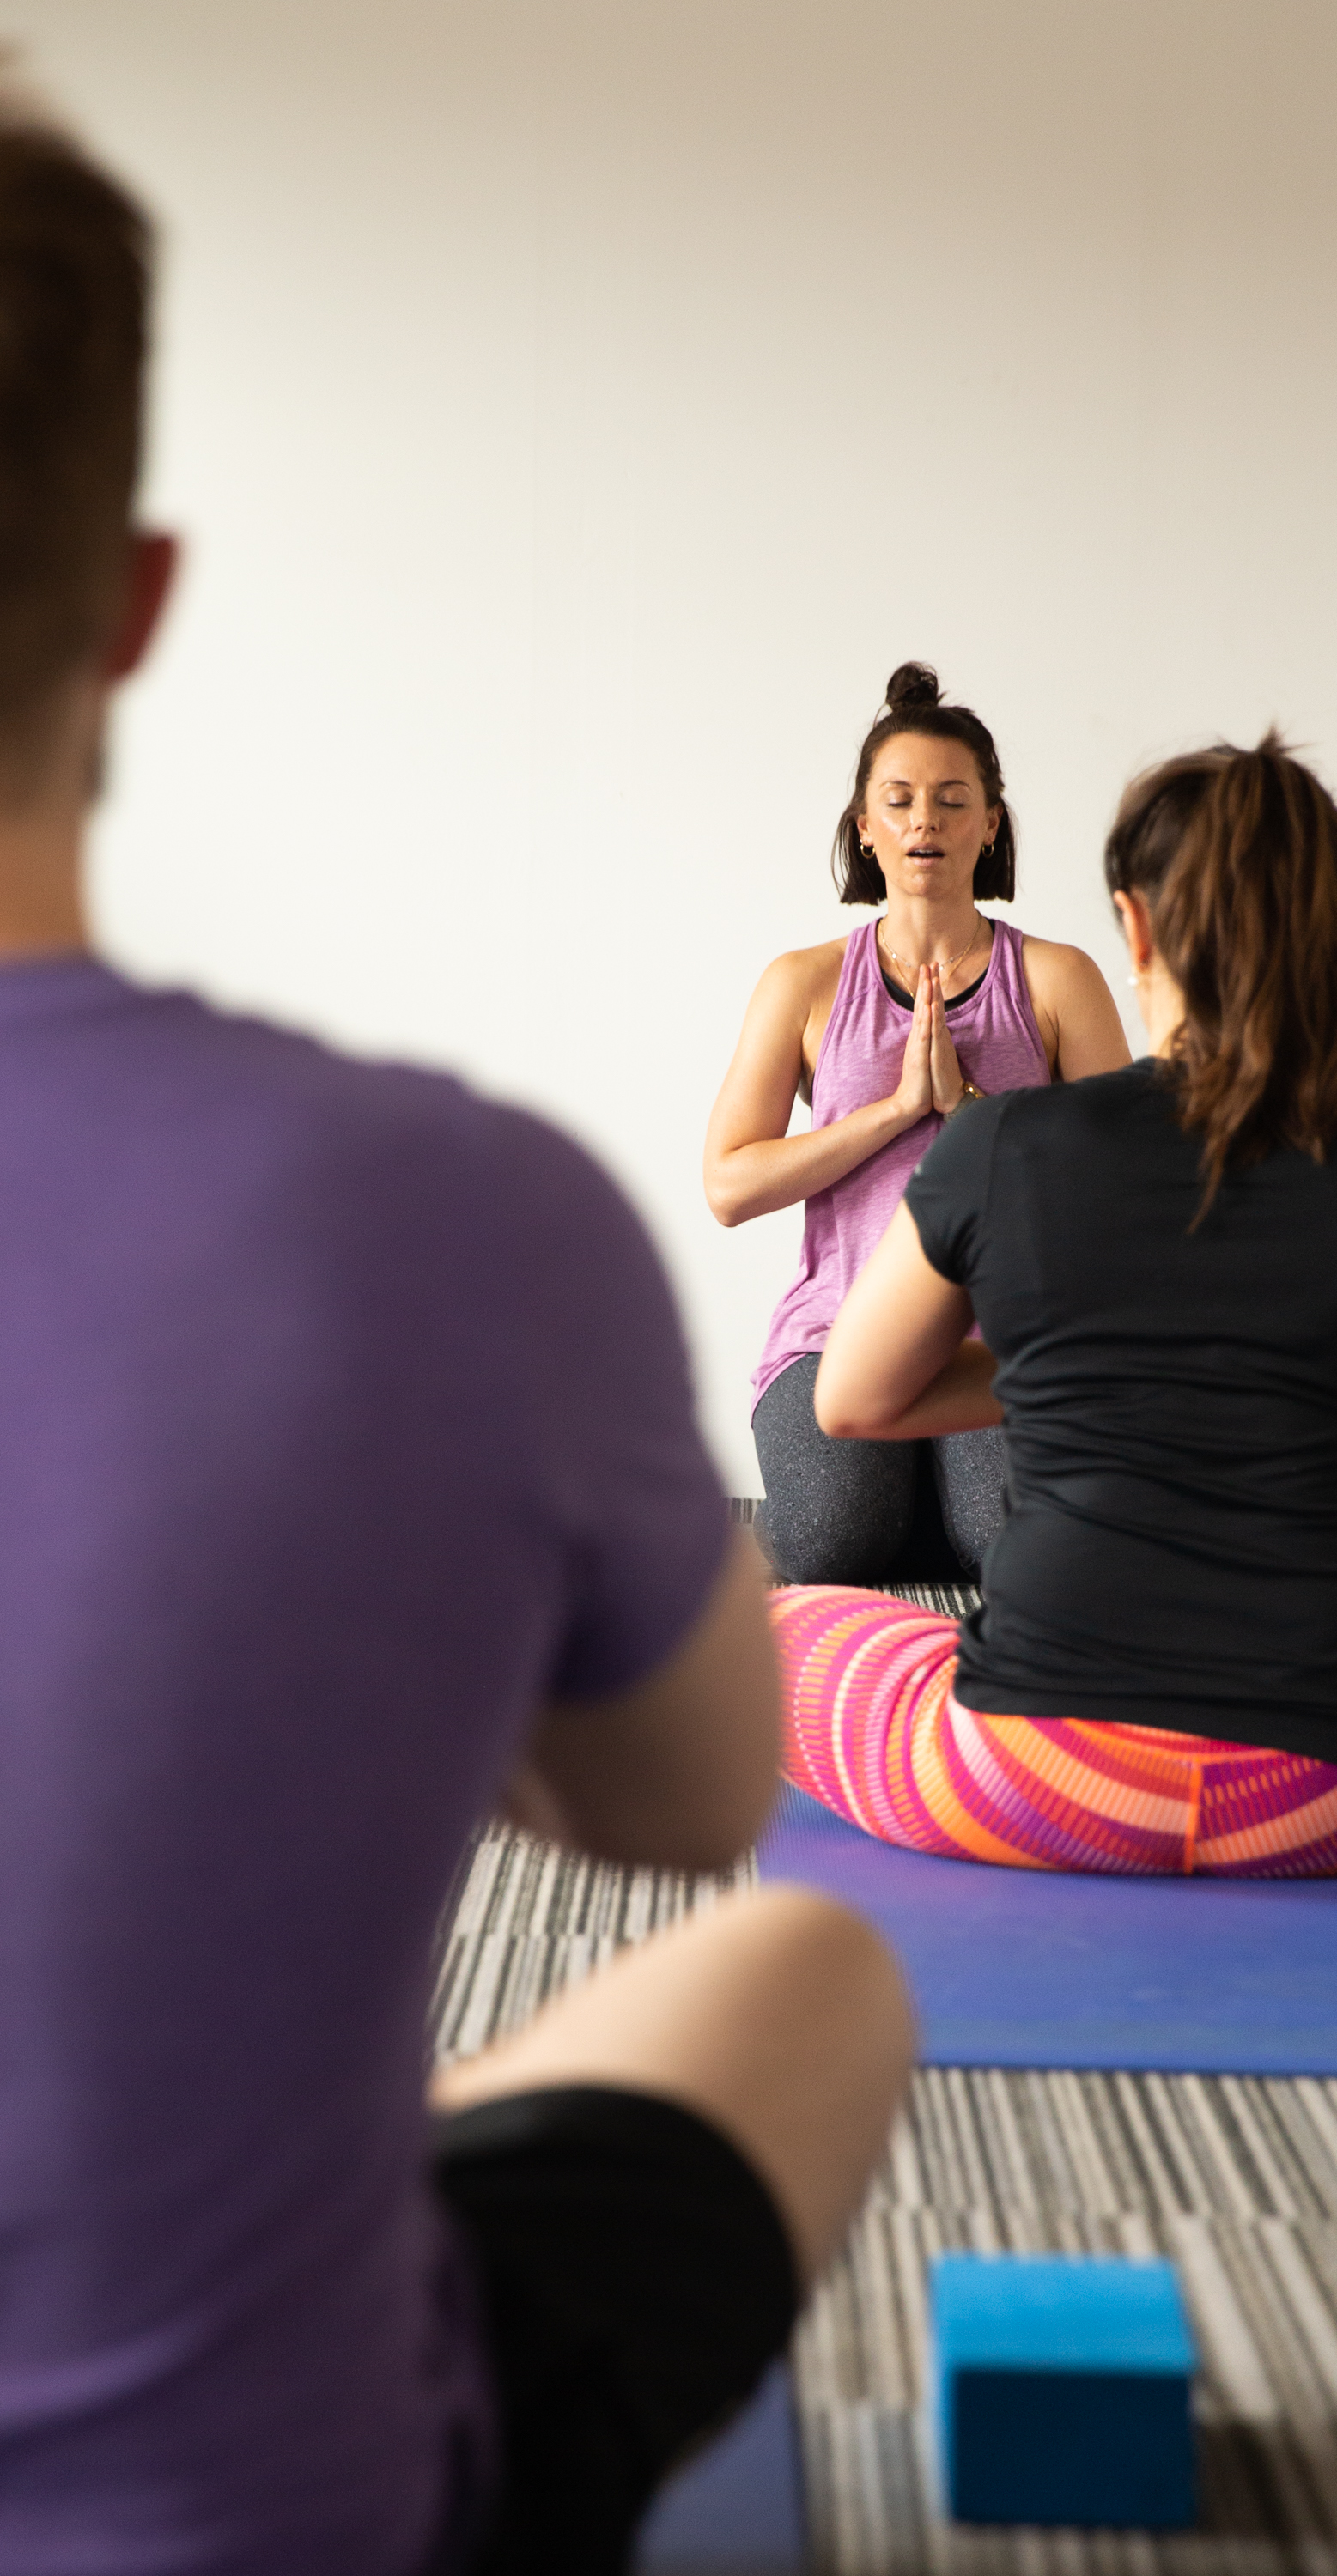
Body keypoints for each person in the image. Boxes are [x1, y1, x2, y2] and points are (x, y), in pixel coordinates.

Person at [0, 104, 912, 2576]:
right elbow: (691, 1800)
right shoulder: (469, 1213)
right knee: (803, 1969)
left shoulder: (1034, 993)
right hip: (285, 2521)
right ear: (133, 602)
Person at [765, 732, 1337, 1876]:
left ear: (1137, 926)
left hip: (1033, 1782)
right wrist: (1293, 1373)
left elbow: (854, 1400)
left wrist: (1090, 1363)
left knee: (782, 1626)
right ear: (1333, 927)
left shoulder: (1003, 1144)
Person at [705, 662, 1130, 1584]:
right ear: (864, 826)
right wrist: (895, 1109)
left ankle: (935, 1502)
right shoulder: (802, 982)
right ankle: (907, 1500)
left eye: (951, 800)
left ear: (991, 823)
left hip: (1002, 1337)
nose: (923, 822)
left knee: (1013, 1547)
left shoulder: (1058, 979)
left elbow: (1125, 1196)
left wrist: (967, 1109)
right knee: (829, 1541)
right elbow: (728, 1186)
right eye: (897, 801)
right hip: (835, 1333)